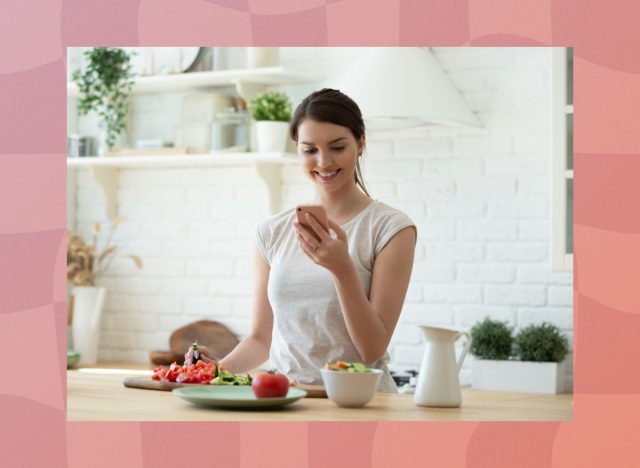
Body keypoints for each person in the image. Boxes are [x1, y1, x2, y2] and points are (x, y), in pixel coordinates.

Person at [186, 88, 417, 392]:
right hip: (283, 399)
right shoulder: (271, 232)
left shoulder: (390, 229)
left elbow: (372, 349)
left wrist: (342, 269)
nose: (323, 162)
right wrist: (215, 370)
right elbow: (260, 340)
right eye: (310, 150)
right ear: (298, 150)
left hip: (358, 403)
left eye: (337, 147)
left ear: (360, 144)